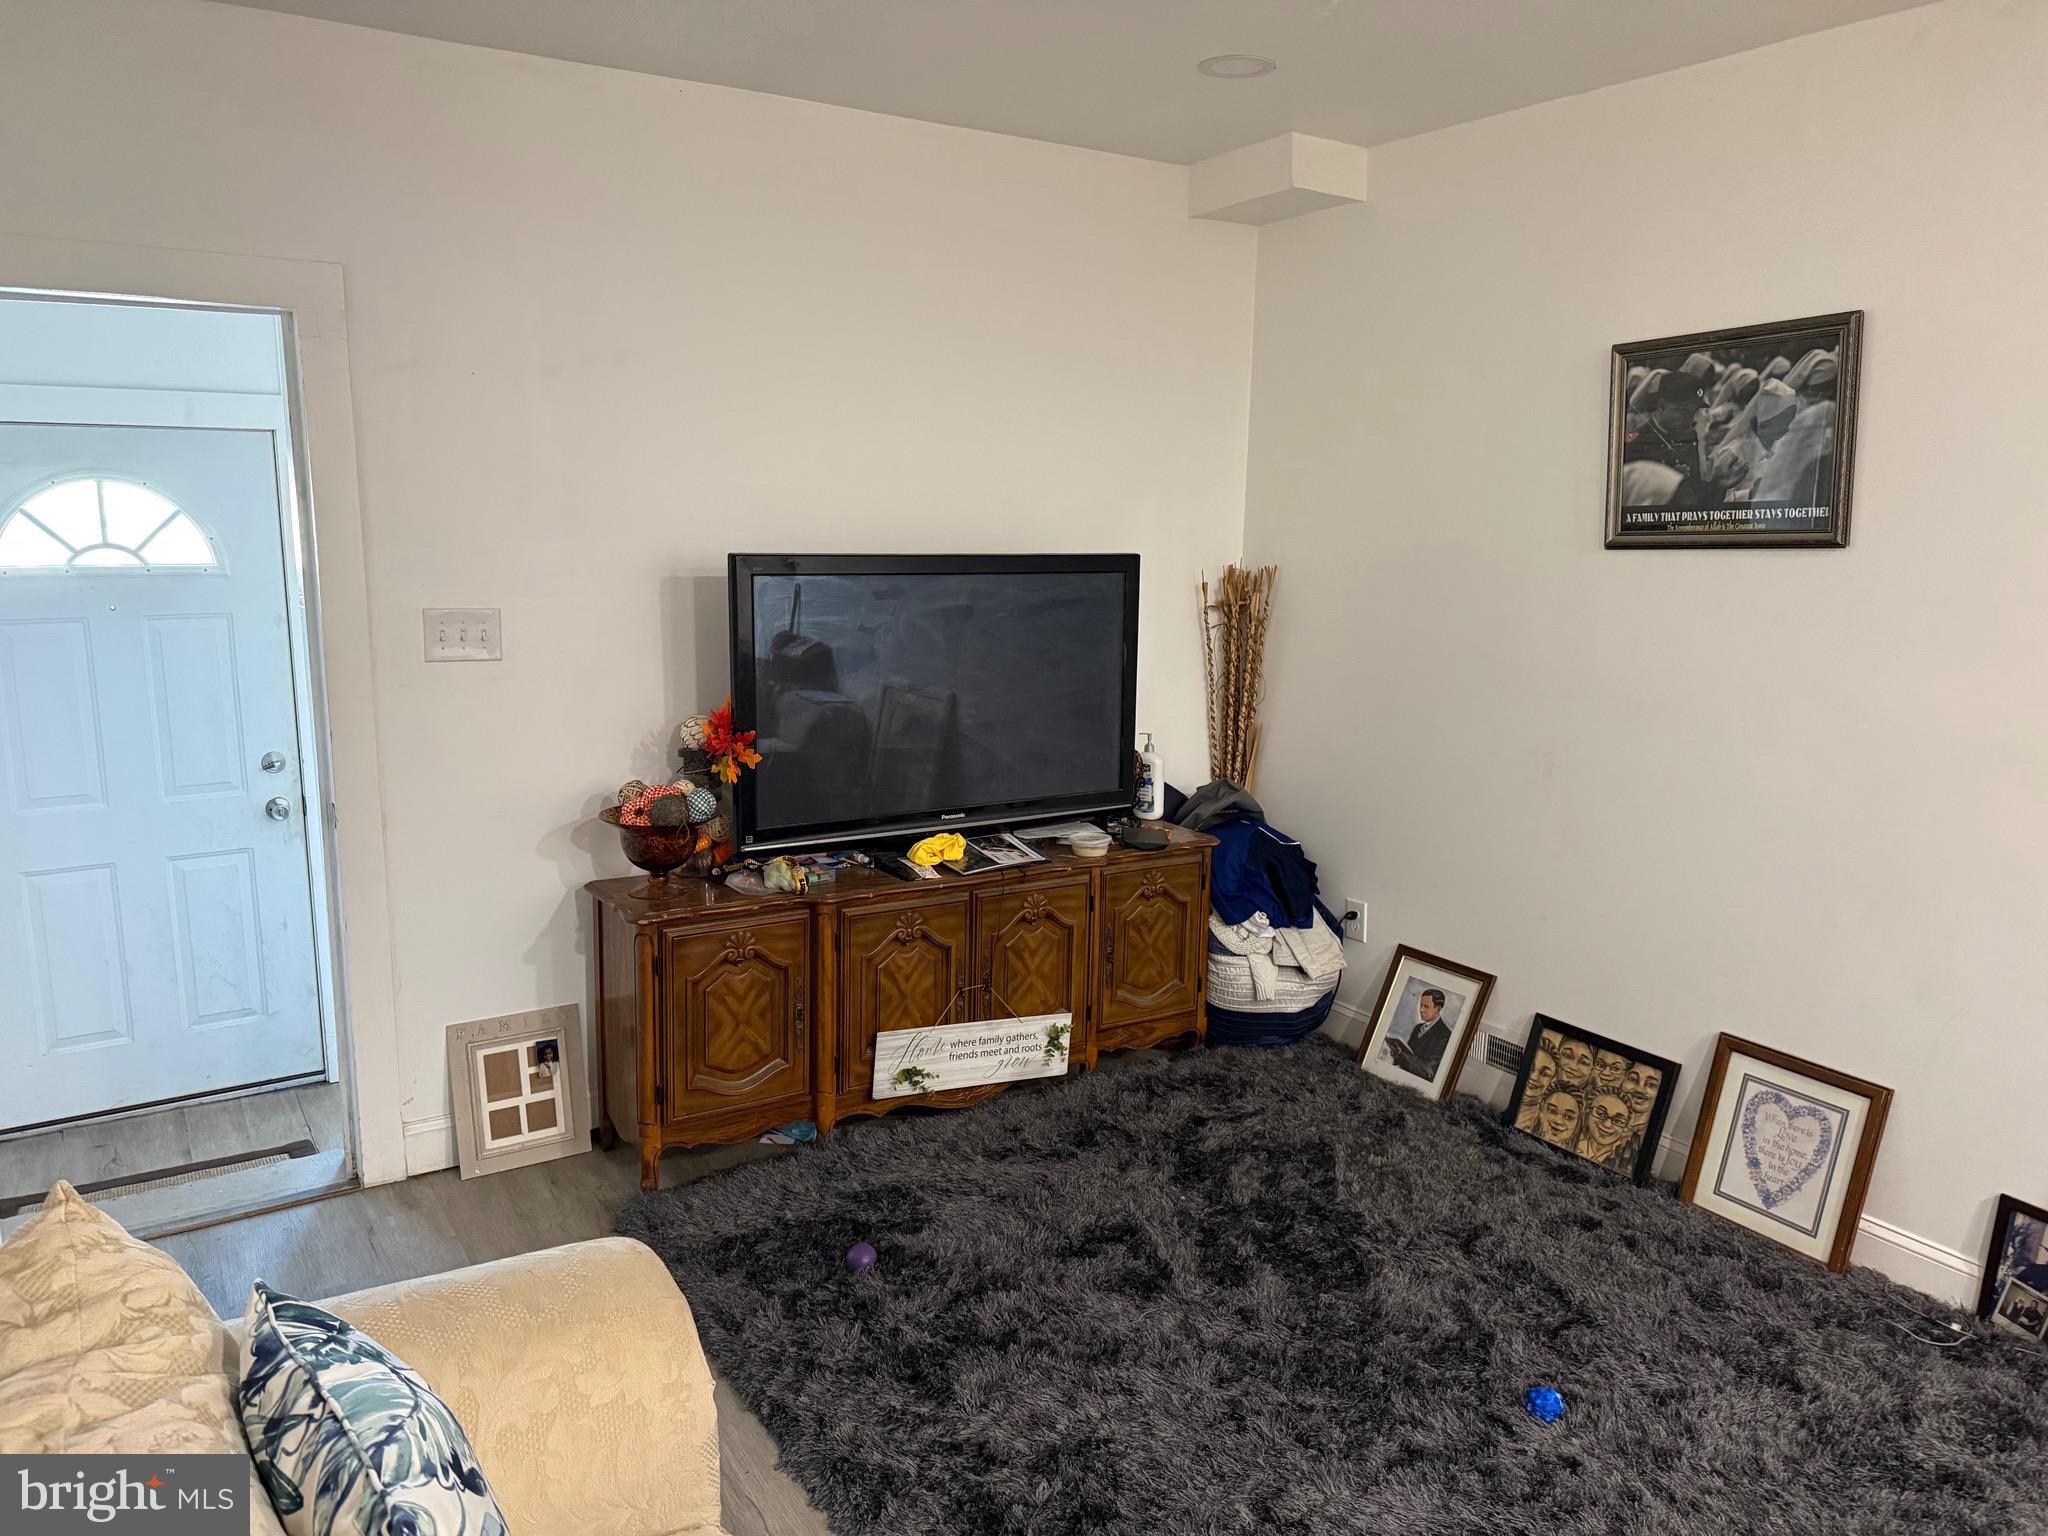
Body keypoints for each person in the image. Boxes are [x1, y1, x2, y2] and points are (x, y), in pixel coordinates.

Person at [1621, 371, 1713, 506]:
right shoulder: (1634, 441)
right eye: (1683, 411)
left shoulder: (1689, 435)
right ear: (1661, 406)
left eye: (1693, 413)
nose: (1689, 419)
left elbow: (1696, 483)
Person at [1385, 988, 1453, 1081]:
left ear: (1438, 1009)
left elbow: (1428, 1070)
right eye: (1421, 1005)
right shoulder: (1418, 1028)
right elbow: (1410, 1052)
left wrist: (1401, 1056)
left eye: (1426, 1006)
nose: (1421, 1010)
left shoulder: (1445, 1036)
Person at [1577, 1093, 1635, 1170]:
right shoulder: (1574, 1145)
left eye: (1618, 1121)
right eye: (1601, 1114)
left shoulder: (1624, 1159)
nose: (1606, 1124)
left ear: (1625, 1127)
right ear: (1588, 1112)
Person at [1515, 1049, 1559, 1132]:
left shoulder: (1542, 1123)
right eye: (1531, 1068)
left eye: (1545, 1074)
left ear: (1552, 1080)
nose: (1534, 1077)